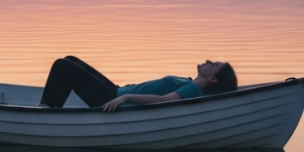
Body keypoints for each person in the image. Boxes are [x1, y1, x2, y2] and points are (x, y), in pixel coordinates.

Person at [39, 56, 237, 111]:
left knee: (62, 66)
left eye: (214, 65)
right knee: (70, 60)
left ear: (213, 79)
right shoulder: (189, 83)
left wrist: (126, 97)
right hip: (114, 91)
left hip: (110, 98)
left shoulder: (193, 88)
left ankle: (46, 112)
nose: (209, 61)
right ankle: (51, 107)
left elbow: (163, 101)